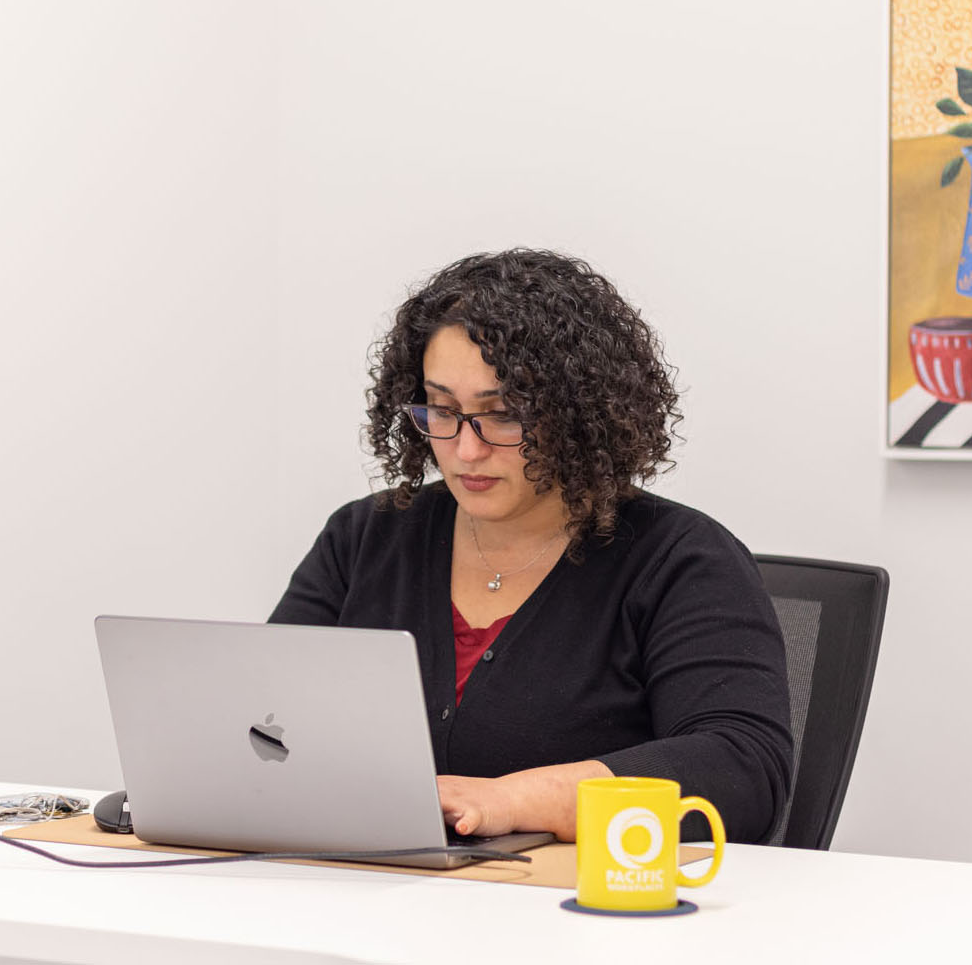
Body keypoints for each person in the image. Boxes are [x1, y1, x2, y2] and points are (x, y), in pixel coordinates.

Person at [269, 249, 792, 844]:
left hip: (572, 915)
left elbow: (743, 769)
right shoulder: (366, 538)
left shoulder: (681, 560)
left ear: (578, 414)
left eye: (504, 416)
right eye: (442, 410)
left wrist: (513, 800)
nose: (466, 450)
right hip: (357, 891)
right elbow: (264, 721)